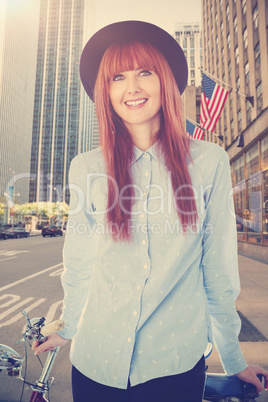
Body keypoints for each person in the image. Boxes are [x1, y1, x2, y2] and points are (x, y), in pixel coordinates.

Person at [33, 21, 268, 401]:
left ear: (166, 82)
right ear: (105, 92)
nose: (133, 87)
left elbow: (219, 271)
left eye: (145, 72)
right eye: (118, 77)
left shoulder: (209, 161)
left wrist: (233, 356)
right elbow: (78, 262)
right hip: (96, 363)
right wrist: (70, 326)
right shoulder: (86, 167)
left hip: (174, 364)